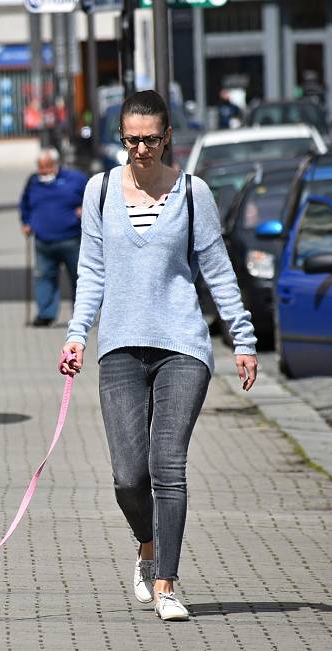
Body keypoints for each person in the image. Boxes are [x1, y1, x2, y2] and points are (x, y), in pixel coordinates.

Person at [60, 90, 258, 621]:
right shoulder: (99, 191)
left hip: (183, 347)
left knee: (166, 464)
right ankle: (146, 546)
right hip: (121, 345)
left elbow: (217, 270)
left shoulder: (194, 193)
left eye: (150, 139)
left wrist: (242, 339)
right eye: (131, 139)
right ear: (121, 137)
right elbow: (91, 271)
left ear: (168, 137)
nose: (141, 148)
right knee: (128, 474)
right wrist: (77, 334)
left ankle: (167, 583)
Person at [19, 149, 88, 327]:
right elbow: (24, 203)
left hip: (71, 238)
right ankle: (46, 314)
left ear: (56, 164)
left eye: (47, 166)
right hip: (43, 240)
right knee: (44, 277)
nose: (43, 171)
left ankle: (81, 316)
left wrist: (85, 210)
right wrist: (26, 222)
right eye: (40, 167)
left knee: (79, 278)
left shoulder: (76, 179)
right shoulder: (33, 181)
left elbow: (94, 197)